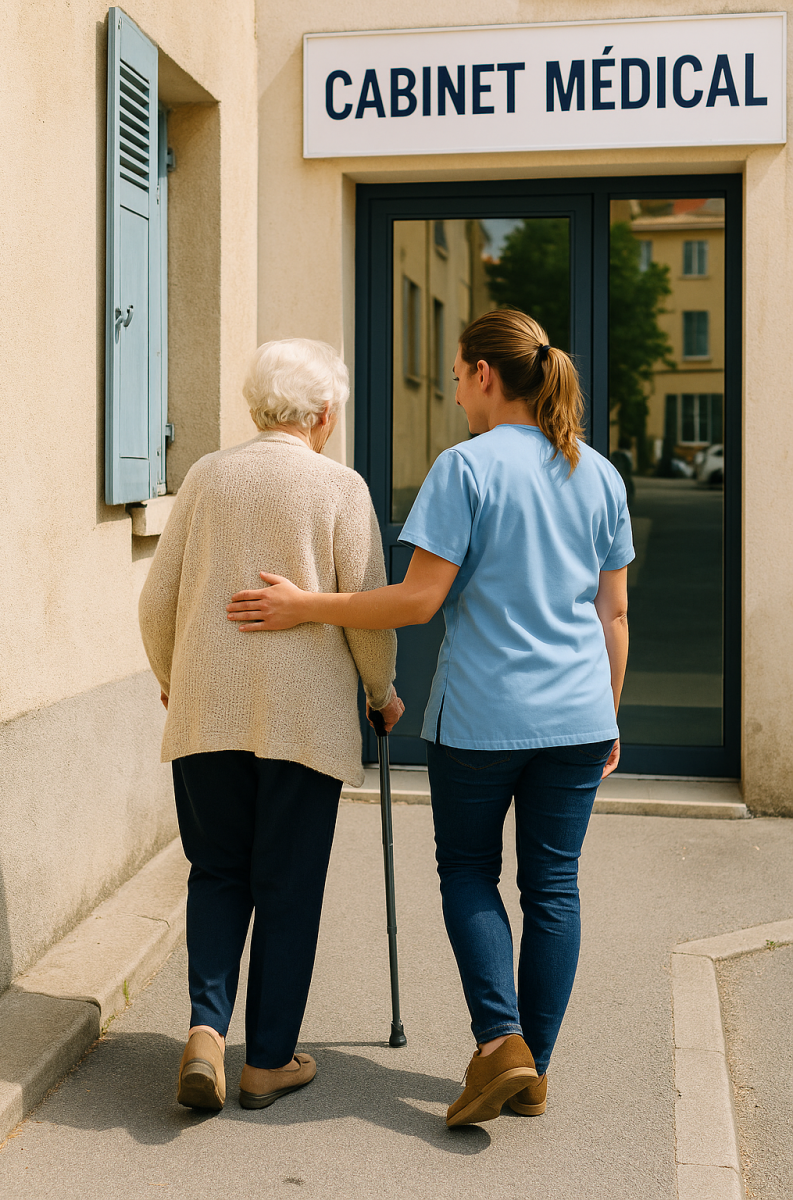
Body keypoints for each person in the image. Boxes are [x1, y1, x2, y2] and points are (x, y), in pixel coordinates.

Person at [227, 309, 633, 1129]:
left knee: (469, 871)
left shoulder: (464, 468)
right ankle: (531, 1069)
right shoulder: (598, 474)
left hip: (482, 717)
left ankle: (501, 1042)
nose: (453, 392)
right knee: (554, 888)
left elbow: (417, 601)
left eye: (455, 376)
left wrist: (307, 605)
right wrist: (609, 715)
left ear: (485, 375)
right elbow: (614, 614)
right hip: (581, 717)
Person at [139, 338, 403, 1113]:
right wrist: (381, 691)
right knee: (288, 887)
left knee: (217, 872)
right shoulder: (340, 488)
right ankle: (268, 1063)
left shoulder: (204, 477)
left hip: (208, 712)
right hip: (304, 723)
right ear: (325, 413)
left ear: (257, 406)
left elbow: (156, 603)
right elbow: (368, 611)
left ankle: (205, 1032)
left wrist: (173, 676)